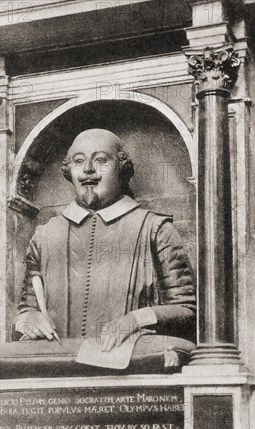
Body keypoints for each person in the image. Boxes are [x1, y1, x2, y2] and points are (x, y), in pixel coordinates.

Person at [15, 129, 196, 351]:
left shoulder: (156, 230)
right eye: (78, 161)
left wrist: (136, 319)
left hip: (130, 368)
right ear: (69, 170)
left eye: (100, 159)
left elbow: (186, 309)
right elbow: (27, 308)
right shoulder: (44, 236)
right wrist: (29, 318)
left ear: (121, 167)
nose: (88, 169)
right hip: (59, 364)